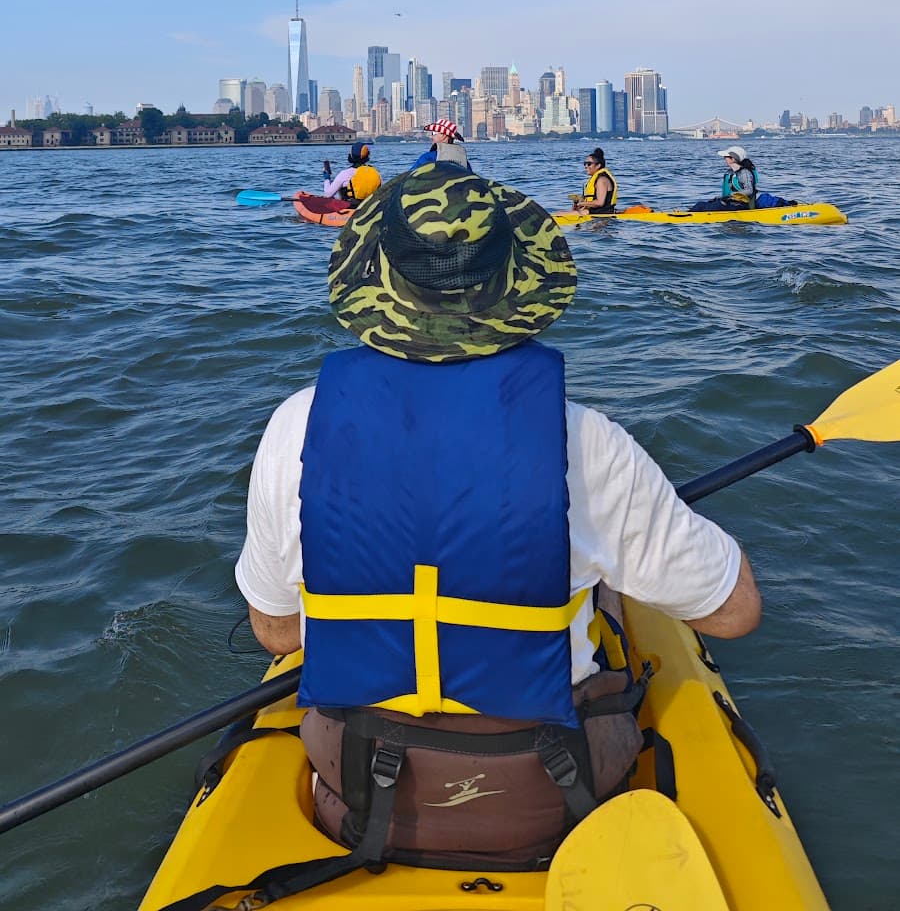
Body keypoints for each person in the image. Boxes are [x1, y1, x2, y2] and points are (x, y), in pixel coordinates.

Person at [236, 167, 760, 880]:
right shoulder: (589, 442)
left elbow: (276, 632)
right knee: (603, 591)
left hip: (362, 786)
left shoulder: (292, 428)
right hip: (549, 791)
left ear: (379, 280)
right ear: (514, 283)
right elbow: (735, 614)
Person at [318, 141, 382, 211]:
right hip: (369, 209)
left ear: (351, 156)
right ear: (367, 156)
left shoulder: (345, 174)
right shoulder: (375, 172)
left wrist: (327, 179)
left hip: (349, 210)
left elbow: (328, 195)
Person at [691, 146, 758, 212]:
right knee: (700, 205)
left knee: (716, 206)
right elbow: (728, 194)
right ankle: (686, 215)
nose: (724, 158)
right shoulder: (730, 172)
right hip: (730, 203)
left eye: (726, 157)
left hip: (740, 205)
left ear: (733, 159)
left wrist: (732, 196)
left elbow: (749, 190)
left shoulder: (744, 173)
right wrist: (720, 197)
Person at [574, 147, 617, 214]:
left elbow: (600, 202)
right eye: (584, 163)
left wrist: (581, 203)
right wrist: (579, 203)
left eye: (589, 164)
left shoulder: (602, 180)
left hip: (601, 215)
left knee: (557, 215)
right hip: (592, 212)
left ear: (598, 165)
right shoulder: (596, 179)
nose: (586, 166)